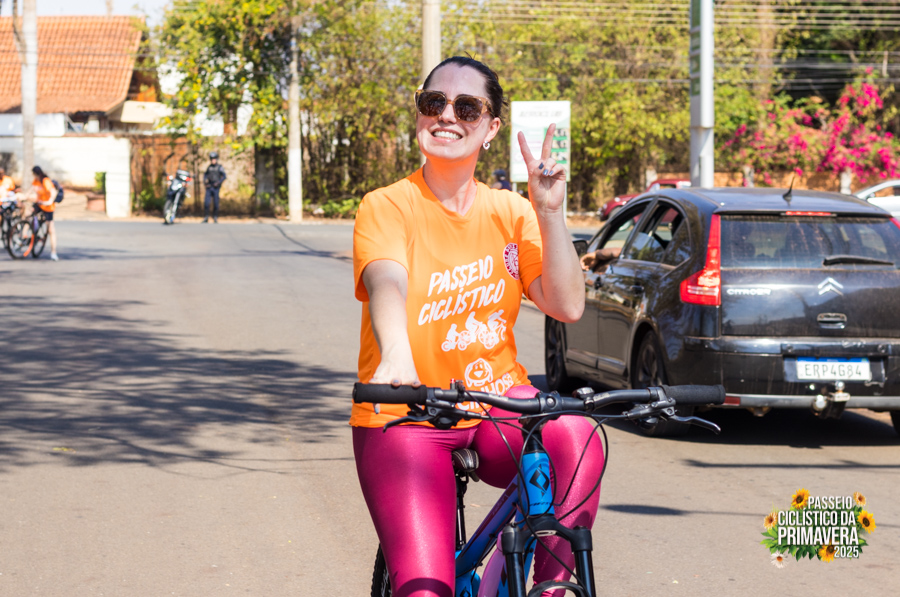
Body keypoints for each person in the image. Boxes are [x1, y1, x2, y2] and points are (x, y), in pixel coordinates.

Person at [352, 56, 603, 597]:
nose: (447, 115)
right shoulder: (386, 206)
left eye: (467, 107)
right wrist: (395, 354)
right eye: (434, 102)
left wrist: (549, 212)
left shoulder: (512, 211)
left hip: (496, 408)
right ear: (420, 113)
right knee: (427, 590)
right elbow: (386, 281)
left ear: (491, 128)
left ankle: (552, 591)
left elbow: (566, 305)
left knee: (576, 432)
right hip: (407, 413)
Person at [30, 166, 59, 261]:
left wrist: (50, 201)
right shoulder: (36, 181)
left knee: (51, 229)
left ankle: (53, 252)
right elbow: (32, 190)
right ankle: (23, 237)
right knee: (28, 214)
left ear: (36, 174)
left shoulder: (45, 181)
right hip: (39, 204)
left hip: (48, 206)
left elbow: (53, 192)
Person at [202, 151, 226, 223]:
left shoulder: (219, 167)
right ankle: (206, 217)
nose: (213, 160)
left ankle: (215, 217)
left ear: (216, 159)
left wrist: (219, 182)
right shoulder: (209, 167)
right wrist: (205, 182)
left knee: (216, 203)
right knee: (206, 203)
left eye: (214, 159)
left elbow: (224, 176)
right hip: (209, 187)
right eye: (212, 159)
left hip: (216, 187)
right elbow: (205, 175)